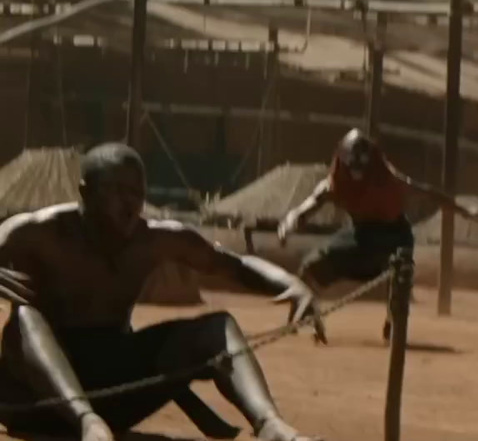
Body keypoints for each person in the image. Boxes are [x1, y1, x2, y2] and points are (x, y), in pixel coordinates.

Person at [0, 143, 319, 441]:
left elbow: (233, 264)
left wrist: (292, 284)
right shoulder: (37, 233)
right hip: (34, 402)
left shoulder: (153, 240)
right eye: (118, 191)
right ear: (87, 193)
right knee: (25, 318)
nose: (130, 204)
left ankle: (270, 424)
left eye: (137, 193)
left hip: (111, 393)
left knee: (216, 328)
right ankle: (87, 420)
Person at [278, 129, 478, 344]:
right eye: (353, 167)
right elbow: (304, 209)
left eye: (362, 167)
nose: (357, 173)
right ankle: (304, 320)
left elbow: (428, 193)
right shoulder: (332, 185)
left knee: (398, 278)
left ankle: (393, 320)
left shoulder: (390, 180)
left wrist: (465, 210)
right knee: (309, 268)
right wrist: (288, 223)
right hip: (359, 236)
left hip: (393, 237)